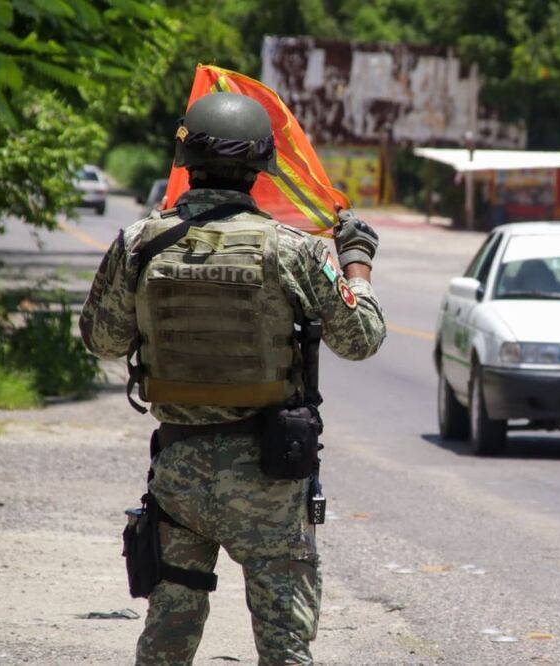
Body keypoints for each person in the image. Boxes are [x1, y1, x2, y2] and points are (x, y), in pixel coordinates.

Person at [79, 92, 385, 665]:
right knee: (284, 648)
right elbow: (361, 338)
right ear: (261, 169)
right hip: (268, 478)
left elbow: (101, 340)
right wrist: (358, 263)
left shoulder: (139, 242)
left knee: (167, 638)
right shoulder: (294, 250)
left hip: (179, 475)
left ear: (186, 161)